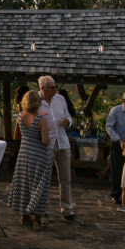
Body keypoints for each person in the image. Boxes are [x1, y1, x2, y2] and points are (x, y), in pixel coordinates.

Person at [7, 90, 52, 229]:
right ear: (38, 102)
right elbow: (45, 141)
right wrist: (47, 128)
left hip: (24, 154)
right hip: (39, 156)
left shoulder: (21, 116)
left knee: (25, 184)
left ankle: (24, 215)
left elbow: (20, 134)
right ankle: (37, 220)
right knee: (39, 187)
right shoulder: (42, 120)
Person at [38, 76, 77, 223]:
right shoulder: (36, 99)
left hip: (62, 142)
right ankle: (43, 209)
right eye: (52, 87)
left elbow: (68, 115)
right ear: (43, 88)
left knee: (65, 179)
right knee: (44, 178)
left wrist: (68, 122)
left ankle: (67, 209)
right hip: (46, 143)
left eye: (55, 87)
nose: (55, 90)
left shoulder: (60, 99)